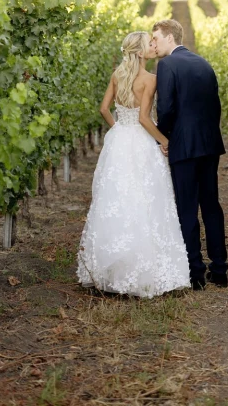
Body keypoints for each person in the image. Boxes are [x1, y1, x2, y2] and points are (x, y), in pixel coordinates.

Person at [77, 31, 190, 297]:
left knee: (116, 197)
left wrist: (117, 129)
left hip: (119, 141)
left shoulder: (118, 74)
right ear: (140, 52)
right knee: (148, 198)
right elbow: (144, 119)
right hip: (140, 141)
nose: (153, 46)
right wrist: (165, 141)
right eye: (149, 44)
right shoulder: (150, 79)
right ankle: (144, 270)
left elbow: (104, 108)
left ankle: (111, 272)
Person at [150, 19, 228, 291]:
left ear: (170, 38)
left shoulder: (167, 65)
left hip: (183, 145)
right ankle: (220, 270)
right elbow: (215, 106)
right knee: (211, 205)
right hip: (209, 144)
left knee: (187, 207)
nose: (154, 44)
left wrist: (162, 137)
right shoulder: (204, 64)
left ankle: (195, 271)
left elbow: (167, 107)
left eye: (156, 38)